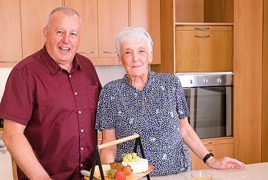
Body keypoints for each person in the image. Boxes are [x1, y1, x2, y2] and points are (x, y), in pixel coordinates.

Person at [95, 27, 246, 176]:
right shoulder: (110, 92)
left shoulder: (171, 83)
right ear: (119, 58)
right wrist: (107, 175)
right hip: (133, 176)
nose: (135, 58)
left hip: (177, 173)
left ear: (150, 56)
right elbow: (109, 144)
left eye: (141, 51)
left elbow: (185, 130)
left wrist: (211, 160)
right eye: (128, 52)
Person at [0, 7, 102, 179]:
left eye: (73, 34)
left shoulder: (88, 67)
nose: (66, 40)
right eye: (60, 31)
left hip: (90, 175)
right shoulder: (24, 73)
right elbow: (11, 135)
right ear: (46, 33)